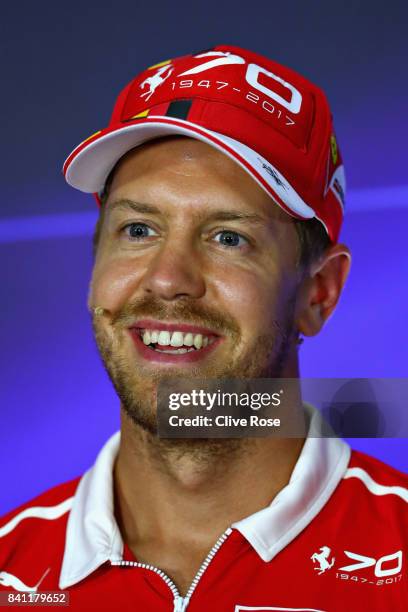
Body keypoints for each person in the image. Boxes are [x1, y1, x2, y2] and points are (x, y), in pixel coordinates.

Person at [0, 45, 406, 611]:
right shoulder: (9, 570)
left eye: (228, 237)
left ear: (318, 293)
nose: (168, 280)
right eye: (138, 230)